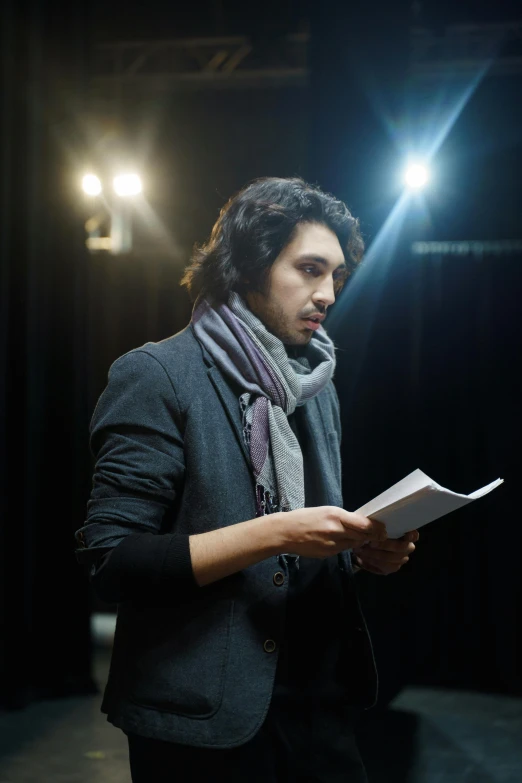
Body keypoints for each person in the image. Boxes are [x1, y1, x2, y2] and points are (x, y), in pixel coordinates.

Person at [75, 176, 419, 782]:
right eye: (310, 269)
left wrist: (363, 552)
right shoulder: (158, 375)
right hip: (203, 717)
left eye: (336, 276)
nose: (329, 294)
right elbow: (115, 561)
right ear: (247, 266)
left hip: (319, 702)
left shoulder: (314, 385)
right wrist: (277, 534)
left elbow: (303, 554)